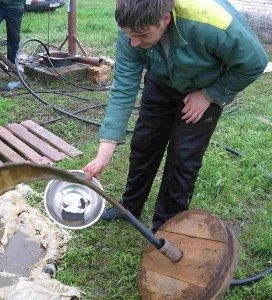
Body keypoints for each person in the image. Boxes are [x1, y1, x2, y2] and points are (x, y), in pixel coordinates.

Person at [83, 0, 267, 233]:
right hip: (161, 81)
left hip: (204, 88)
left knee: (183, 157)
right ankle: (129, 208)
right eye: (129, 35)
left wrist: (211, 94)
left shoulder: (211, 24)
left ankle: (169, 225)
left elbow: (255, 62)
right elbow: (123, 88)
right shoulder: (131, 28)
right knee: (144, 144)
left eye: (141, 35)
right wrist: (103, 154)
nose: (134, 42)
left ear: (165, 19)